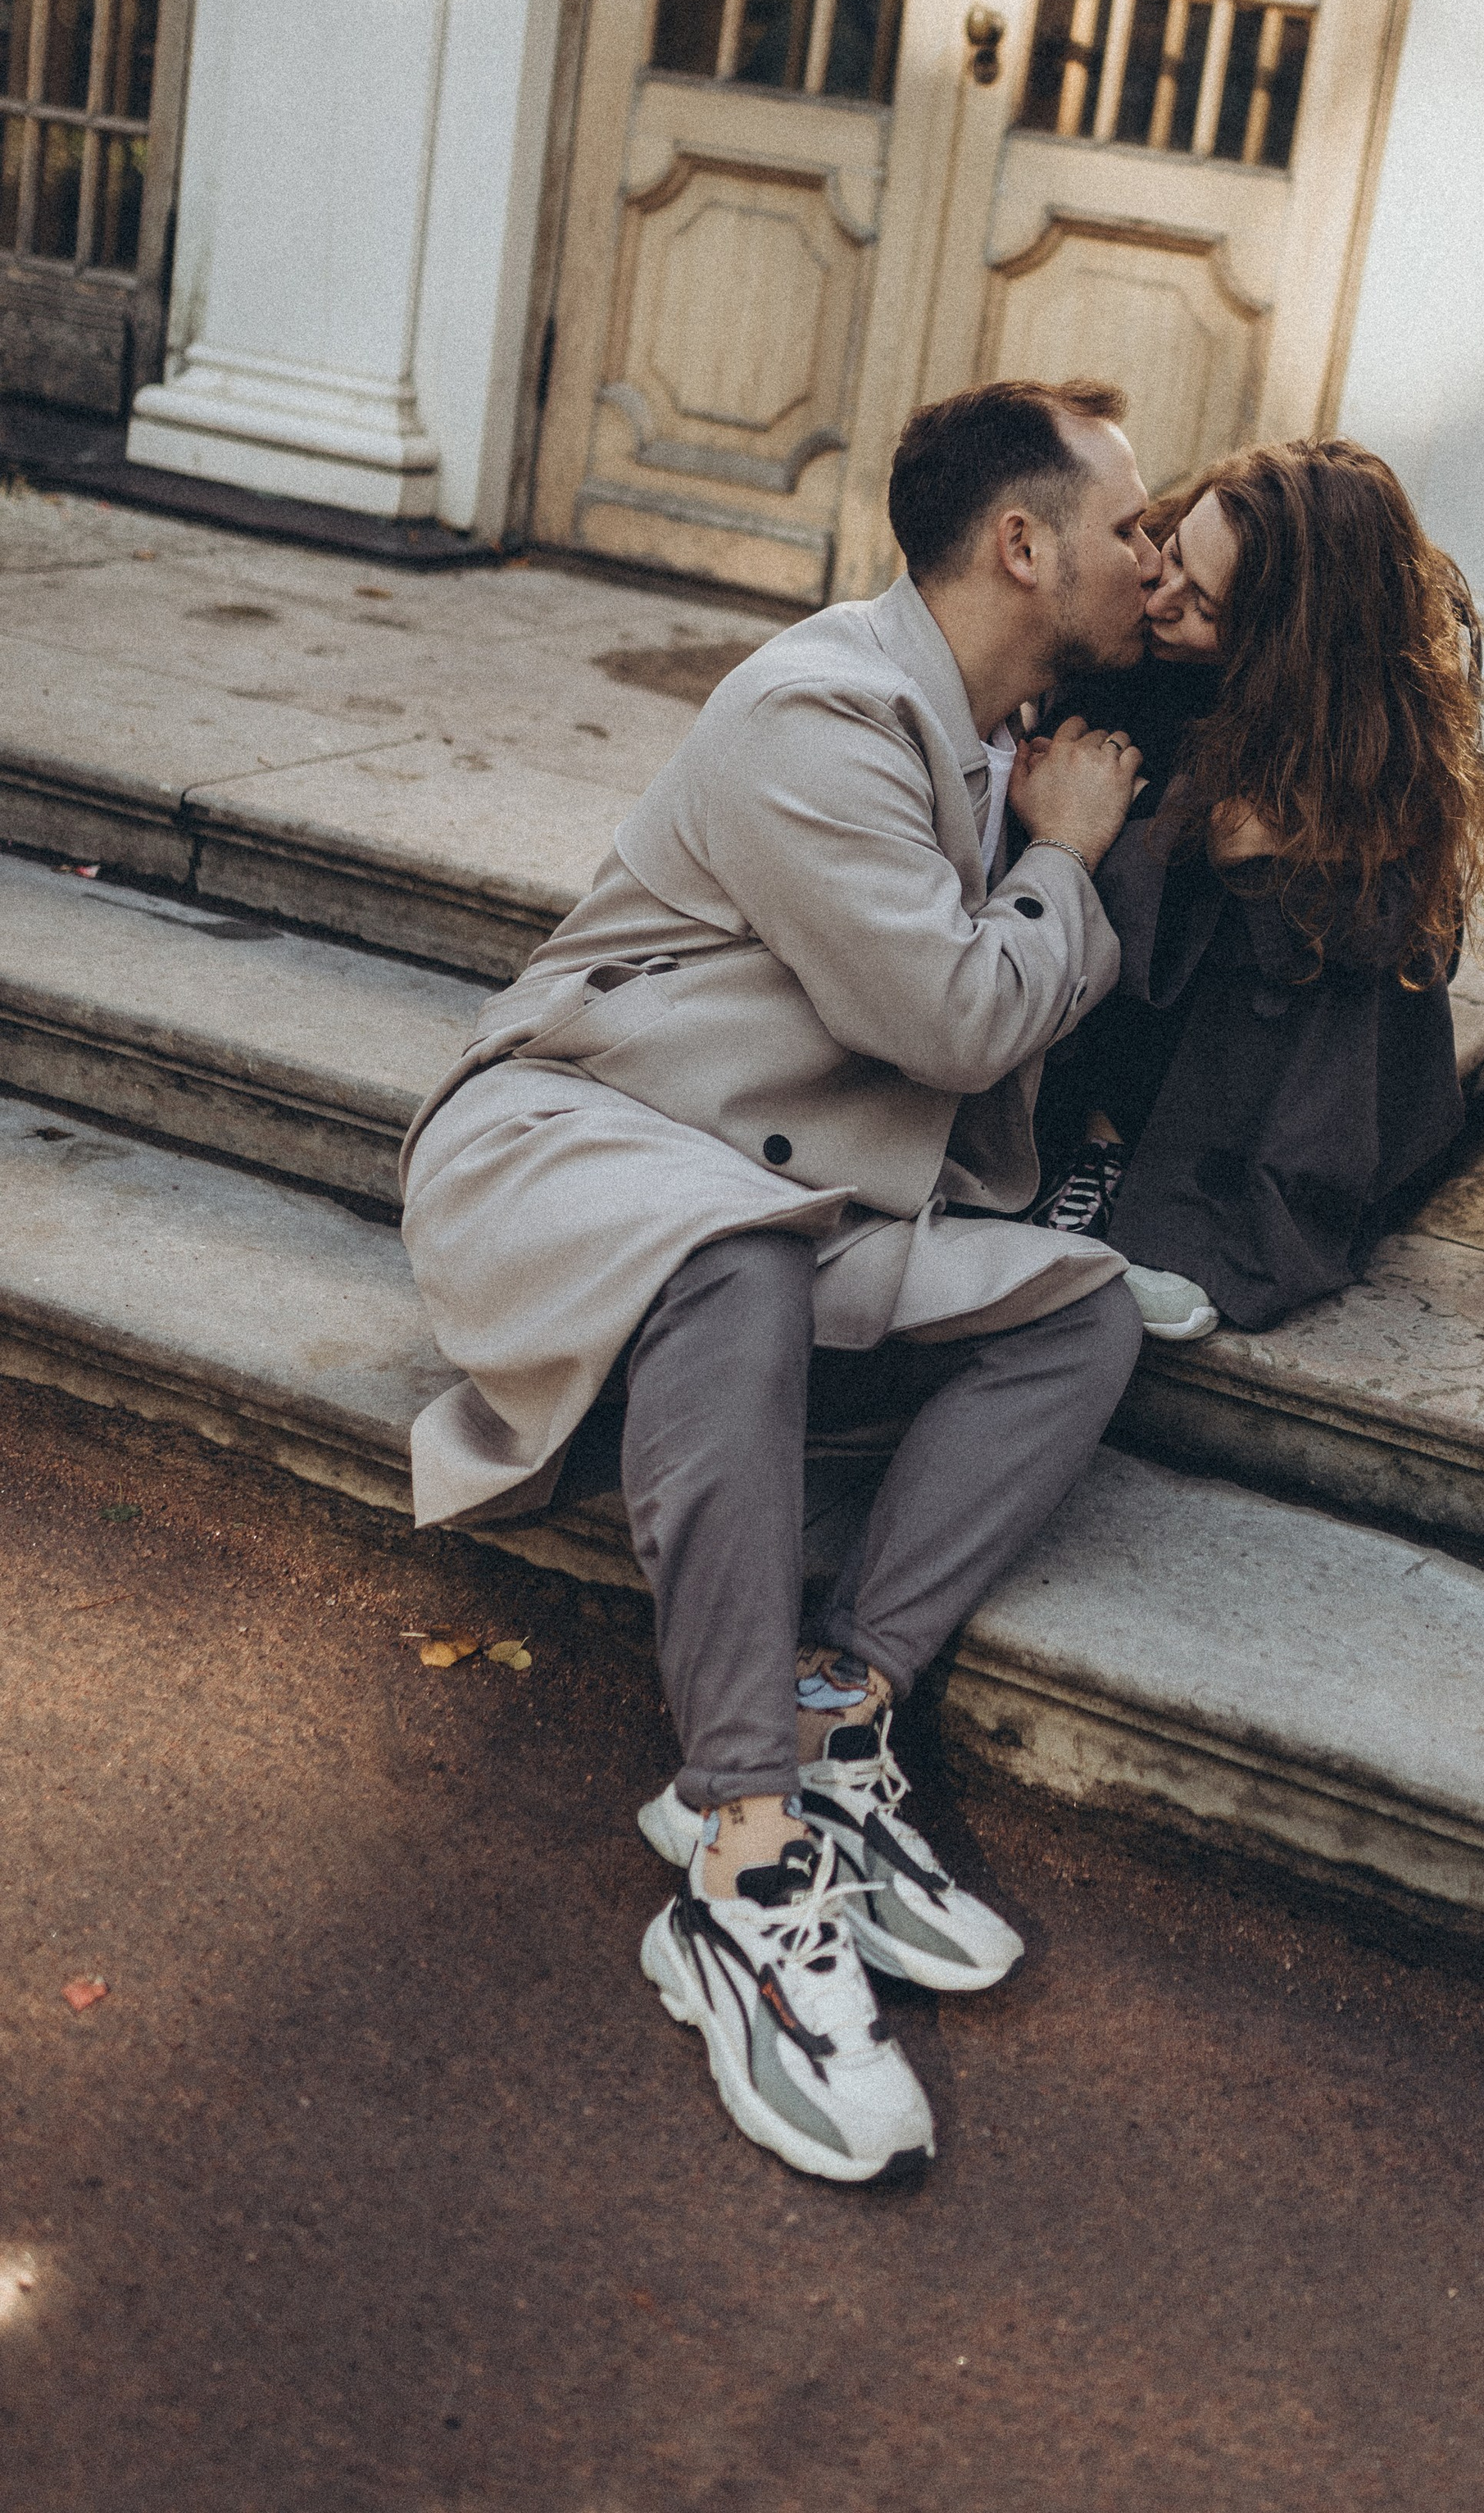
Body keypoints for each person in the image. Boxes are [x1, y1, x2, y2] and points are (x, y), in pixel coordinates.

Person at [399, 378, 1160, 2185]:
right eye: (1131, 527)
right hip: (576, 1148)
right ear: (1022, 544)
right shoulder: (819, 710)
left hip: (769, 1190)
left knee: (1080, 1313)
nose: (1152, 557)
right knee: (728, 1258)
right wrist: (1064, 859)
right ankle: (742, 1864)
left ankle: (835, 1713)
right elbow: (952, 1019)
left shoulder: (991, 726)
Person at [1029, 438, 1484, 1336]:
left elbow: (1412, 938)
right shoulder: (1136, 614)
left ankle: (1212, 1219)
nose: (1159, 599)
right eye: (1173, 555)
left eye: (1204, 605)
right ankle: (1100, 1147)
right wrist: (1177, 824)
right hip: (1111, 998)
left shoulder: (1371, 723)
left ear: (1291, 644)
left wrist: (1296, 846)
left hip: (1281, 1067)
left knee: (1311, 911)